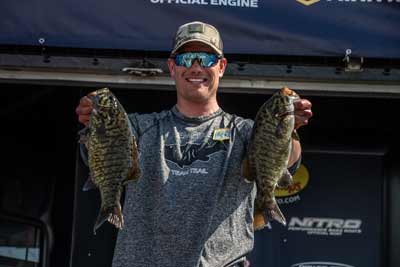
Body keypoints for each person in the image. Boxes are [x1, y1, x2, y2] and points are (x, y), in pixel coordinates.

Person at [76, 21, 313, 267]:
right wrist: (94, 116)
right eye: (187, 58)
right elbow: (98, 153)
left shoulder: (245, 132)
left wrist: (288, 129)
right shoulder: (138, 127)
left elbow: (288, 161)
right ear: (172, 67)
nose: (196, 67)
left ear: (221, 67)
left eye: (206, 58)